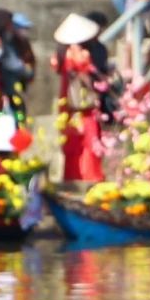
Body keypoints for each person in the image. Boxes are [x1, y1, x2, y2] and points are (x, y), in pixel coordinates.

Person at [52, 12, 104, 182]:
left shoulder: (61, 53)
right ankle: (90, 175)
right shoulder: (80, 53)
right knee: (89, 138)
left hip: (67, 100)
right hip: (82, 103)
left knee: (72, 139)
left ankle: (72, 175)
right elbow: (84, 74)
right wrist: (95, 88)